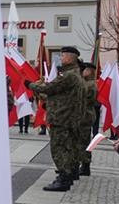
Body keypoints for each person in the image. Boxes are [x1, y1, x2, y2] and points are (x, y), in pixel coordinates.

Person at [27, 46, 85, 191]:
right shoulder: (74, 74)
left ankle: (64, 179)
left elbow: (49, 88)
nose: (61, 58)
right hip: (66, 116)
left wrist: (30, 85)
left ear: (71, 57)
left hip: (62, 118)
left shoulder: (69, 75)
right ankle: (68, 175)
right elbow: (59, 95)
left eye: (63, 55)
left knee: (58, 149)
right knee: (67, 148)